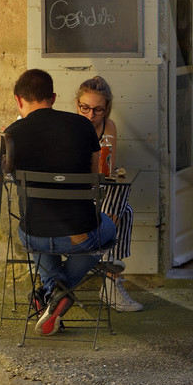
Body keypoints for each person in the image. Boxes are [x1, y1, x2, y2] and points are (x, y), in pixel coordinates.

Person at [1, 68, 118, 336]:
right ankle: (57, 292)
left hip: (34, 236)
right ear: (53, 97)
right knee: (110, 226)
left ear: (18, 100)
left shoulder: (11, 134)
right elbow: (93, 179)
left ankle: (51, 292)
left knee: (34, 234)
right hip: (79, 236)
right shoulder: (83, 126)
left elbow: (6, 178)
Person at [76, 77, 142, 313]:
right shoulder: (71, 125)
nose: (90, 114)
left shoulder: (108, 126)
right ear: (77, 104)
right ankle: (111, 279)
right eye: (85, 107)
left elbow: (105, 167)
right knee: (124, 211)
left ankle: (108, 262)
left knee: (123, 202)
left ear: (106, 110)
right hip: (75, 193)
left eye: (97, 109)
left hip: (98, 192)